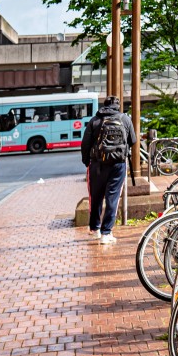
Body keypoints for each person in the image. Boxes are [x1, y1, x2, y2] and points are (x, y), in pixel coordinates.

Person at [80, 95, 136, 245]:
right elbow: (133, 140)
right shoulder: (125, 119)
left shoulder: (95, 120)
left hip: (97, 164)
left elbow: (85, 143)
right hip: (118, 164)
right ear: (118, 106)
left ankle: (95, 228)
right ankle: (106, 233)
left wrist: (87, 161)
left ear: (103, 105)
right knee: (112, 197)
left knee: (95, 196)